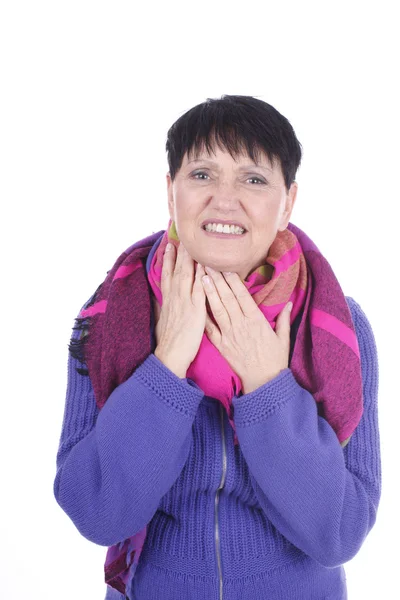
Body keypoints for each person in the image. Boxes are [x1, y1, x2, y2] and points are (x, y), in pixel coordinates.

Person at [53, 95, 381, 600]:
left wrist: (269, 389)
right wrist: (166, 367)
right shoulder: (110, 317)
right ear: (171, 192)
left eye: (253, 179)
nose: (225, 199)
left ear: (288, 201)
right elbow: (96, 512)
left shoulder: (337, 324)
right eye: (202, 175)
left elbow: (338, 531)